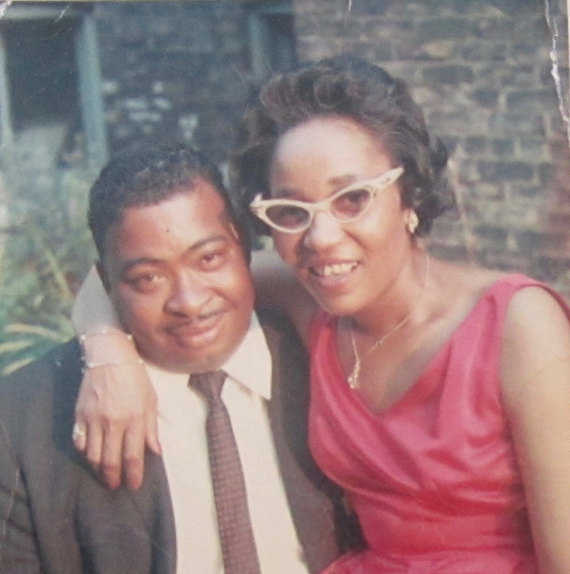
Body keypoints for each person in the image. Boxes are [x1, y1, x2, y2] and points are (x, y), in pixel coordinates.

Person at [72, 57, 570, 573]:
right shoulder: (309, 299)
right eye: (291, 213)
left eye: (353, 199)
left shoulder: (517, 324)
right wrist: (108, 354)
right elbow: (116, 277)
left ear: (410, 194)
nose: (321, 238)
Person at [0, 142, 359, 573]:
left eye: (209, 258)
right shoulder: (23, 426)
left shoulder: (333, 362)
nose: (188, 301)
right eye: (148, 278)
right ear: (108, 284)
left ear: (244, 246)